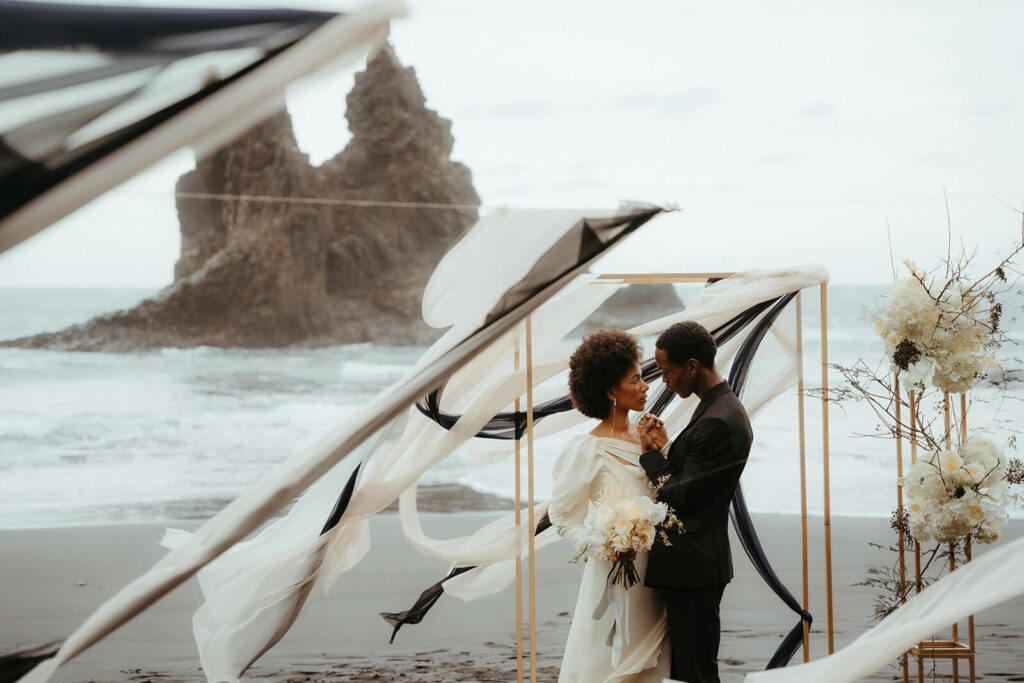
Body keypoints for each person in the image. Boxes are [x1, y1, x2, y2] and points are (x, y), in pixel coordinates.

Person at [548, 329, 671, 682]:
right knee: (606, 662)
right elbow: (562, 517)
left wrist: (661, 451)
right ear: (610, 391)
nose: (646, 385)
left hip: (658, 575)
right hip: (613, 575)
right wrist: (602, 544)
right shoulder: (587, 450)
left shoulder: (651, 436)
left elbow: (670, 494)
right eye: (635, 379)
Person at [637, 320, 753, 683]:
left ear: (691, 366)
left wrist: (650, 457)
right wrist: (668, 449)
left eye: (667, 372)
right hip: (695, 564)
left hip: (696, 565)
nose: (664, 381)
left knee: (695, 672)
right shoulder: (718, 407)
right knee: (689, 667)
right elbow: (698, 480)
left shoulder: (719, 419)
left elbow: (684, 497)